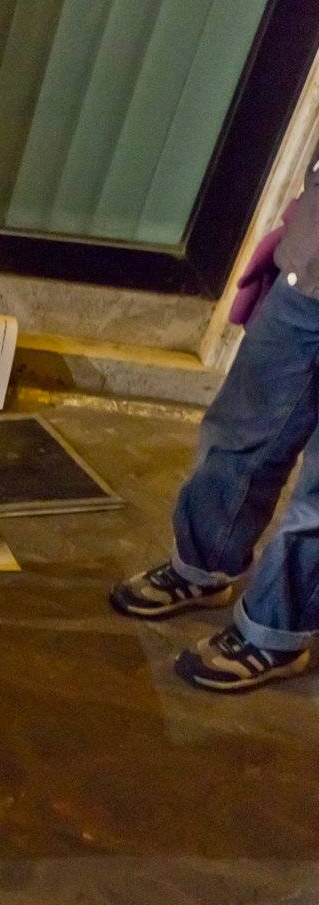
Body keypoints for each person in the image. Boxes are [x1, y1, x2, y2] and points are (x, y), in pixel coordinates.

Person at [111, 158, 319, 691]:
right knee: (239, 438)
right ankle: (203, 568)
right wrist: (298, 223)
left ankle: (276, 631)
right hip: (308, 276)